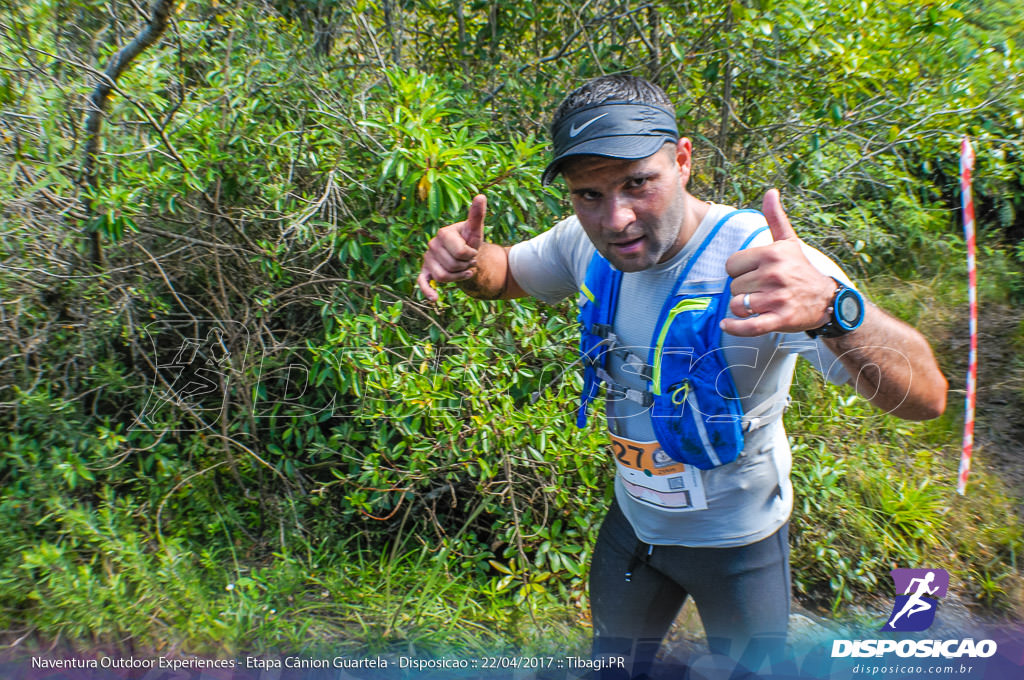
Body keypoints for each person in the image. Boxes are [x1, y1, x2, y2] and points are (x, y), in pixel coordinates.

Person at [416, 75, 947, 678]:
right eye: (588, 194)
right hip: (634, 529)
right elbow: (507, 273)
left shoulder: (765, 266)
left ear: (684, 160)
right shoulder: (582, 245)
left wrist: (834, 309)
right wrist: (466, 262)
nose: (616, 219)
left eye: (638, 183)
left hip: (739, 547)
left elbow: (927, 398)